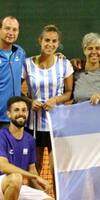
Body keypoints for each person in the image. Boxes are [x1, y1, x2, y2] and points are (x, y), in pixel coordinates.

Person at [22, 25, 73, 175]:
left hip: (57, 124)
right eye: (47, 40)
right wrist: (31, 102)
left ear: (58, 43)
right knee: (34, 168)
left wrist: (56, 100)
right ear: (40, 41)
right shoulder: (27, 64)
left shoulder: (65, 64)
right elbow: (17, 91)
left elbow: (69, 93)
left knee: (55, 169)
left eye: (54, 41)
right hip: (33, 125)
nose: (50, 44)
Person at [0, 96, 52, 200]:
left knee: (47, 199)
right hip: (3, 184)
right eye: (16, 110)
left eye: (24, 110)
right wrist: (35, 177)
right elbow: (3, 166)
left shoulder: (30, 140)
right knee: (16, 178)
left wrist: (41, 190)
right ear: (9, 114)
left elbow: (32, 170)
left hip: (18, 187)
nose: (21, 113)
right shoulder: (2, 136)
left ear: (28, 113)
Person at [0, 16, 26, 129]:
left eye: (14, 29)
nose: (11, 33)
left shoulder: (20, 53)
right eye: (7, 28)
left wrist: (56, 56)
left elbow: (34, 63)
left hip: (13, 118)